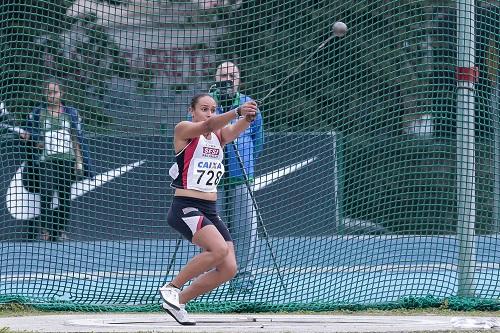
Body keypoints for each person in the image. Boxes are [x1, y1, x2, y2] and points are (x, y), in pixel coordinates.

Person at [159, 93, 258, 325]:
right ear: (191, 110)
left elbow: (232, 130)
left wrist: (248, 116)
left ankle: (178, 301)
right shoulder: (184, 129)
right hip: (186, 206)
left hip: (209, 208)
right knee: (218, 249)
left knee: (229, 268)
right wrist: (237, 112)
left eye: (213, 109)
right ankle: (171, 287)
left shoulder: (218, 136)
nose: (209, 113)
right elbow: (209, 124)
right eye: (204, 108)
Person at [211, 62, 264, 292]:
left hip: (241, 178)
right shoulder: (206, 105)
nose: (228, 78)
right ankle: (212, 276)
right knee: (210, 230)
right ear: (216, 77)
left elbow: (258, 141)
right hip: (211, 179)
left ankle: (243, 277)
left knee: (245, 229)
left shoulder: (248, 105)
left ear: (239, 80)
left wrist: (246, 161)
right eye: (224, 74)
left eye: (233, 75)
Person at [21, 78, 94, 241]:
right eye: (48, 92)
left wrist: (79, 162)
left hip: (67, 161)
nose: (51, 95)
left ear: (62, 93)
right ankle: (45, 230)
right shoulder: (38, 113)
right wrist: (30, 139)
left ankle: (59, 231)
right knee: (46, 194)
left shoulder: (71, 113)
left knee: (64, 197)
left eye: (54, 92)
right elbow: (32, 136)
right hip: (46, 161)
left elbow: (77, 139)